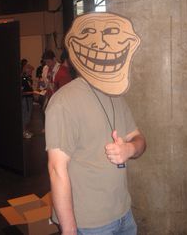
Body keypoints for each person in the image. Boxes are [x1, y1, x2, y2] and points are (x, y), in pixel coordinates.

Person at [45, 12, 146, 235]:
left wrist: (129, 148)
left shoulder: (116, 94)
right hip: (89, 223)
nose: (102, 45)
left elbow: (139, 140)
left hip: (124, 213)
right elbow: (56, 169)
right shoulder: (63, 102)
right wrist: (69, 230)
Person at [21, 63, 35, 139]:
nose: (31, 72)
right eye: (30, 70)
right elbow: (21, 92)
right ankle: (23, 131)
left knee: (28, 116)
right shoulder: (23, 79)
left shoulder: (28, 78)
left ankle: (25, 130)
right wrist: (32, 92)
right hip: (25, 99)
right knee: (25, 116)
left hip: (29, 98)